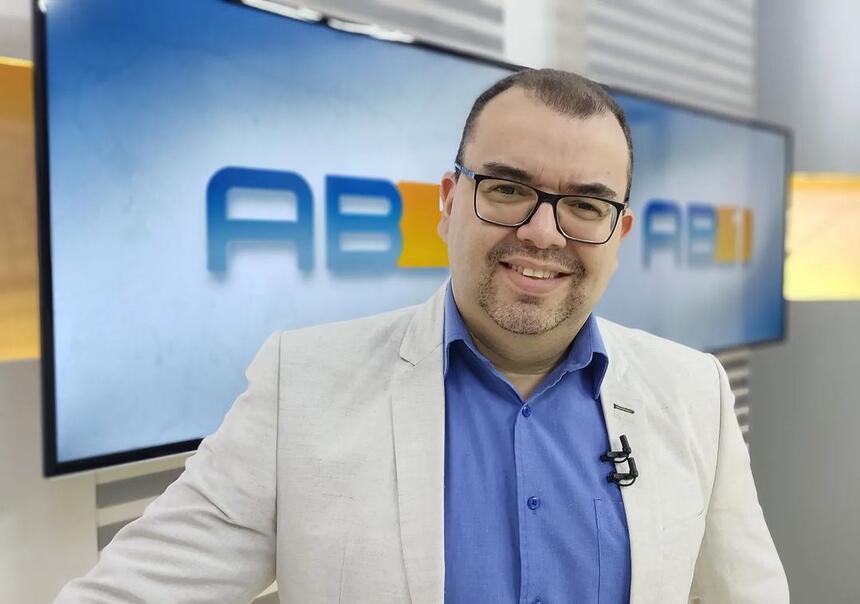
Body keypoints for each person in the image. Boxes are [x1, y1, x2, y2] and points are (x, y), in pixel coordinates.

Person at [55, 69, 789, 603]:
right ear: (449, 201)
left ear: (619, 231)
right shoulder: (301, 385)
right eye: (507, 189)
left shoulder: (694, 393)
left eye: (586, 204)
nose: (542, 232)